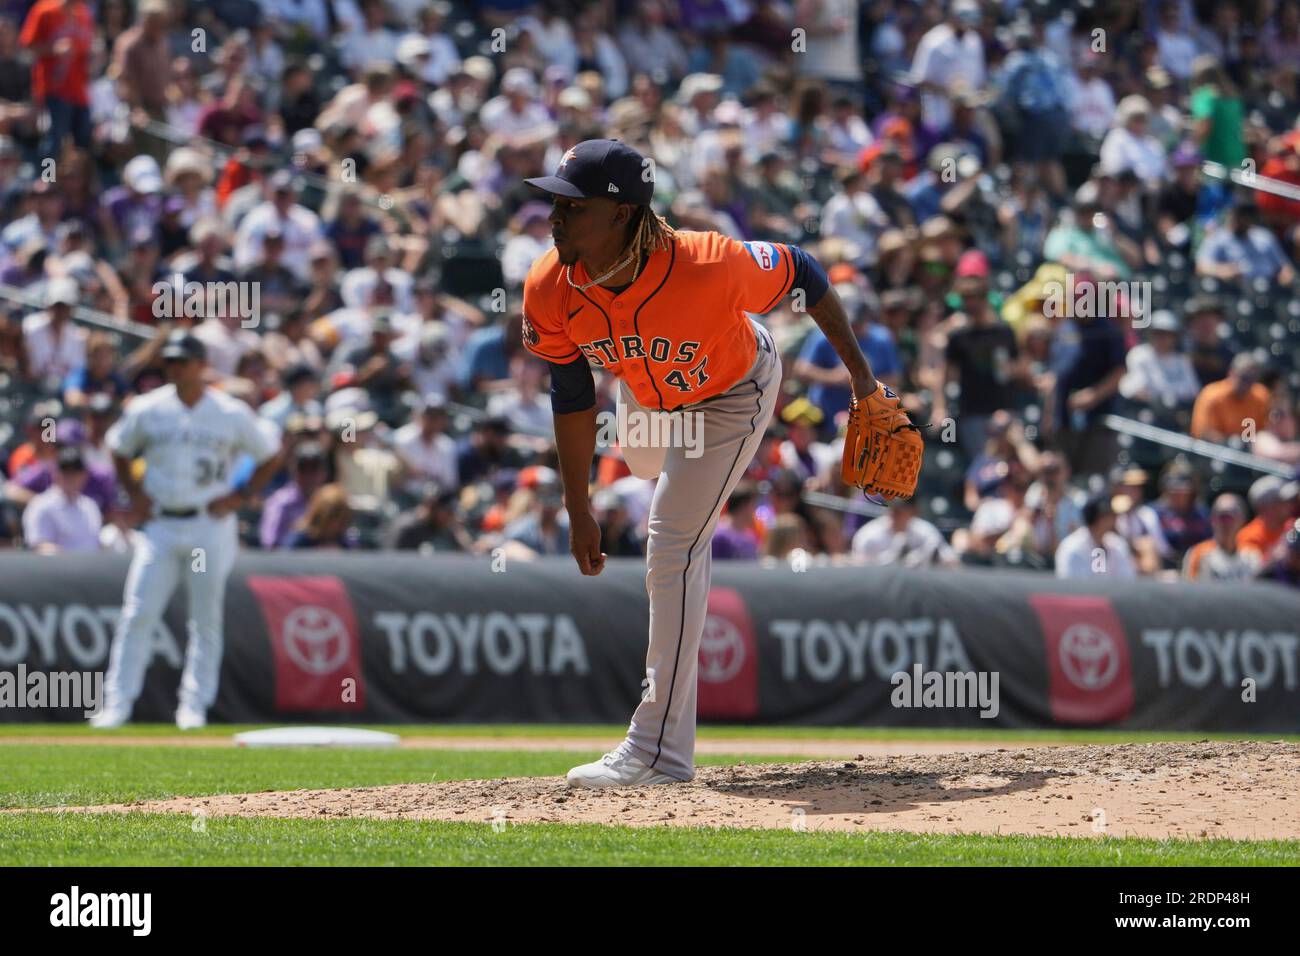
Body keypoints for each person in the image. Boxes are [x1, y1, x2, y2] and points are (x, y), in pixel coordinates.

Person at [521, 138, 884, 787]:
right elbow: (572, 397)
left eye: (574, 207)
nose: (555, 216)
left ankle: (658, 751)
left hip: (730, 393)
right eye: (554, 201)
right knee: (640, 462)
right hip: (648, 390)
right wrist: (579, 509)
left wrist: (862, 383)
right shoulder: (550, 285)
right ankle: (658, 444)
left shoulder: (709, 263)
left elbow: (801, 268)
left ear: (624, 214)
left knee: (671, 544)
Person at [92, 330, 282, 730]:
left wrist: (241, 496)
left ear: (201, 365)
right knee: (138, 612)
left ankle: (193, 707)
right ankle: (117, 705)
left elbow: (270, 452)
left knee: (204, 617)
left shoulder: (228, 411)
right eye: (171, 362)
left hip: (206, 526)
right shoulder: (148, 407)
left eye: (183, 361)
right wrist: (135, 494)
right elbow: (119, 447)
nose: (175, 368)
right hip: (161, 524)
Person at [21, 445, 102, 553]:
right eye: (65, 471)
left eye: (75, 471)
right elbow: (37, 546)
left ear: (84, 475)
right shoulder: (41, 505)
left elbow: (95, 544)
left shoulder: (90, 506)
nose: (70, 476)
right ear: (56, 473)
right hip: (56, 568)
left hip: (93, 568)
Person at [850, 498, 957, 568]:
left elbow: (950, 561)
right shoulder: (869, 535)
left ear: (914, 512)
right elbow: (858, 569)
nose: (893, 513)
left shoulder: (925, 531)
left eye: (899, 510)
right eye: (892, 508)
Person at [1190, 352, 1271, 443]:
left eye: (1252, 379)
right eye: (1244, 378)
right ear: (1231, 373)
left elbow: (1266, 430)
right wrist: (1229, 443)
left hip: (1250, 451)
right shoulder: (1211, 395)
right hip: (1215, 451)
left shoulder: (1260, 395)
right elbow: (1202, 433)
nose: (1247, 384)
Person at [1054, 494, 1137, 580]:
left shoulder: (1117, 544)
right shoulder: (1072, 548)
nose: (1116, 519)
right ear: (1099, 518)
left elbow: (1128, 582)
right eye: (1112, 515)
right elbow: (1072, 589)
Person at [1183, 493, 1259, 581]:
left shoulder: (1251, 555)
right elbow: (1189, 587)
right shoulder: (1198, 553)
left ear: (1242, 519)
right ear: (1212, 520)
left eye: (1230, 517)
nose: (1225, 523)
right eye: (1221, 517)